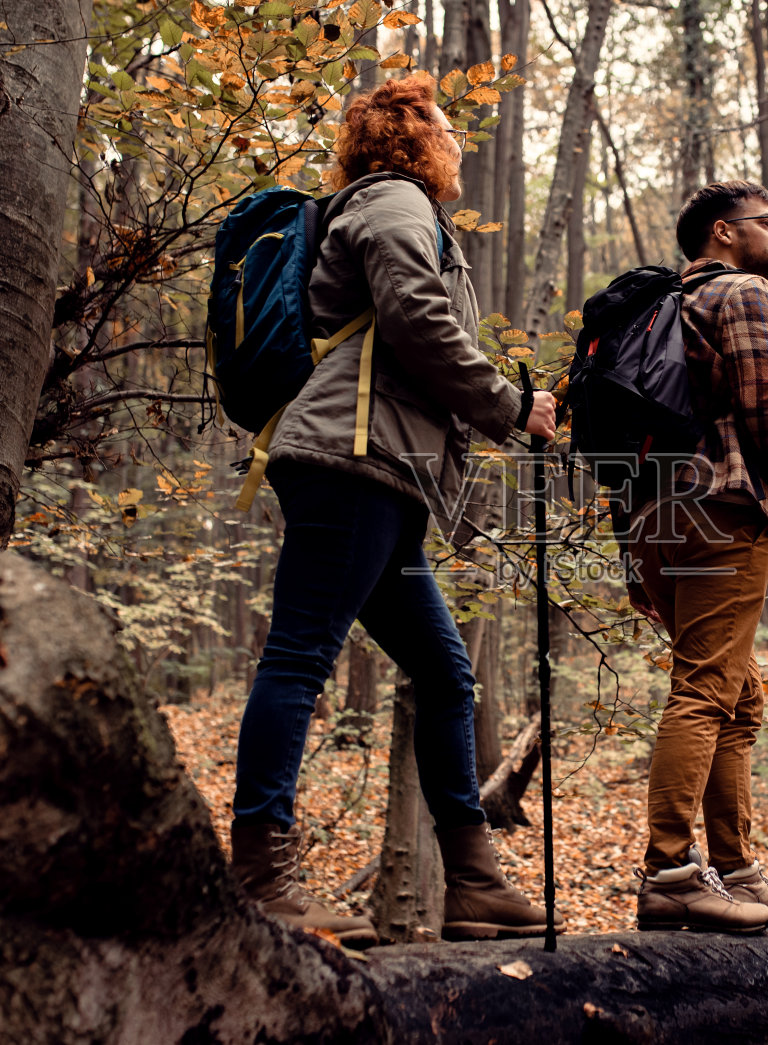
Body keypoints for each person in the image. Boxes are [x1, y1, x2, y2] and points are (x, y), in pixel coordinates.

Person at [228, 72, 560, 945]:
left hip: (383, 468)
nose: (456, 142)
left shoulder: (400, 210)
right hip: (352, 460)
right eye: (445, 126)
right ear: (413, 137)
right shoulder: (394, 203)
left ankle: (475, 884)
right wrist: (508, 405)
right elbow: (417, 318)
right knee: (301, 656)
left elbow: (411, 331)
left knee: (447, 672)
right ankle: (261, 876)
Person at [629, 180, 768, 933]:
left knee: (738, 692)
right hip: (720, 506)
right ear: (724, 233)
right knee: (704, 687)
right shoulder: (743, 292)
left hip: (654, 519)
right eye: (767, 224)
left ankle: (736, 863)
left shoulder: (661, 304)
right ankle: (671, 871)